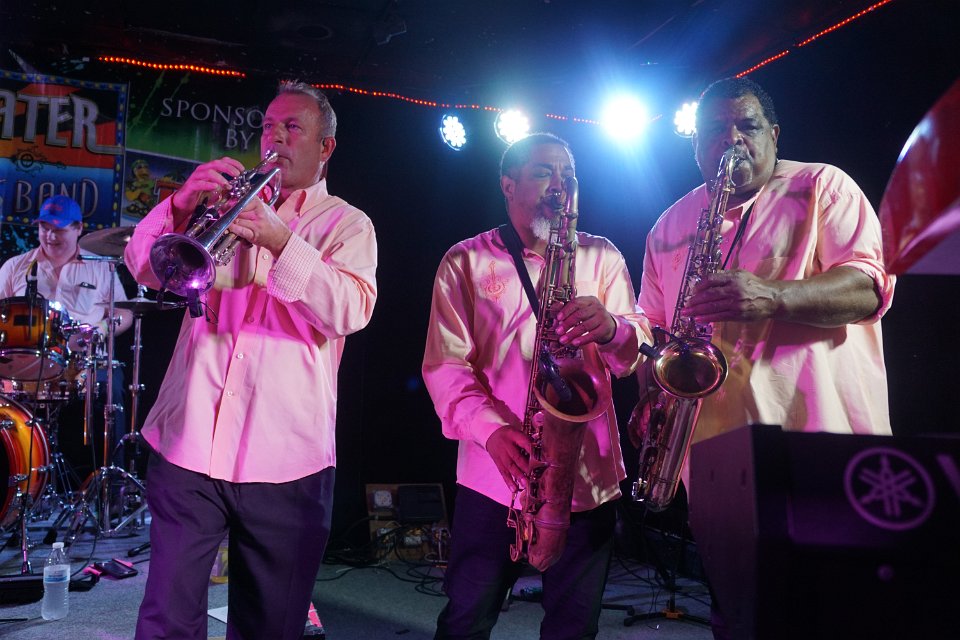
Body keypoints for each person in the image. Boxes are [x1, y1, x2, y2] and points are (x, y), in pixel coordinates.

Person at [630, 77, 895, 637]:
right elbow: (654, 331)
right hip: (717, 466)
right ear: (694, 145)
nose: (731, 140)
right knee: (739, 618)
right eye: (714, 130)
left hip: (819, 447)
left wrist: (774, 296)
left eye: (747, 127)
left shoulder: (823, 186)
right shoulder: (669, 225)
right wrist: (651, 396)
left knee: (834, 618)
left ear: (773, 135)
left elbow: (868, 289)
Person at [123, 80, 377, 640]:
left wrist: (281, 242)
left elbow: (350, 310)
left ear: (326, 147)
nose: (274, 138)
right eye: (267, 126)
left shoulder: (347, 224)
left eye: (292, 127)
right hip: (189, 441)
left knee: (269, 627)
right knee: (166, 620)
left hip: (286, 457)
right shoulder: (220, 206)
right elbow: (143, 265)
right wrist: (181, 204)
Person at [422, 133, 646, 639]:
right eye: (545, 173)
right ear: (508, 184)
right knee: (465, 622)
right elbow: (446, 366)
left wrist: (613, 328)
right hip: (496, 475)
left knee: (574, 629)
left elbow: (629, 358)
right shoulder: (465, 261)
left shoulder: (603, 256)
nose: (560, 186)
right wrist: (492, 432)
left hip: (586, 478)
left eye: (569, 175)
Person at [0, 194, 133, 471]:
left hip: (86, 361)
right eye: (44, 227)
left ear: (78, 228)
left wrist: (99, 331)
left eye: (58, 229)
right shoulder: (15, 266)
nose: (50, 236)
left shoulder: (100, 267)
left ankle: (112, 480)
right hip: (28, 362)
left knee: (112, 388)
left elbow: (125, 313)